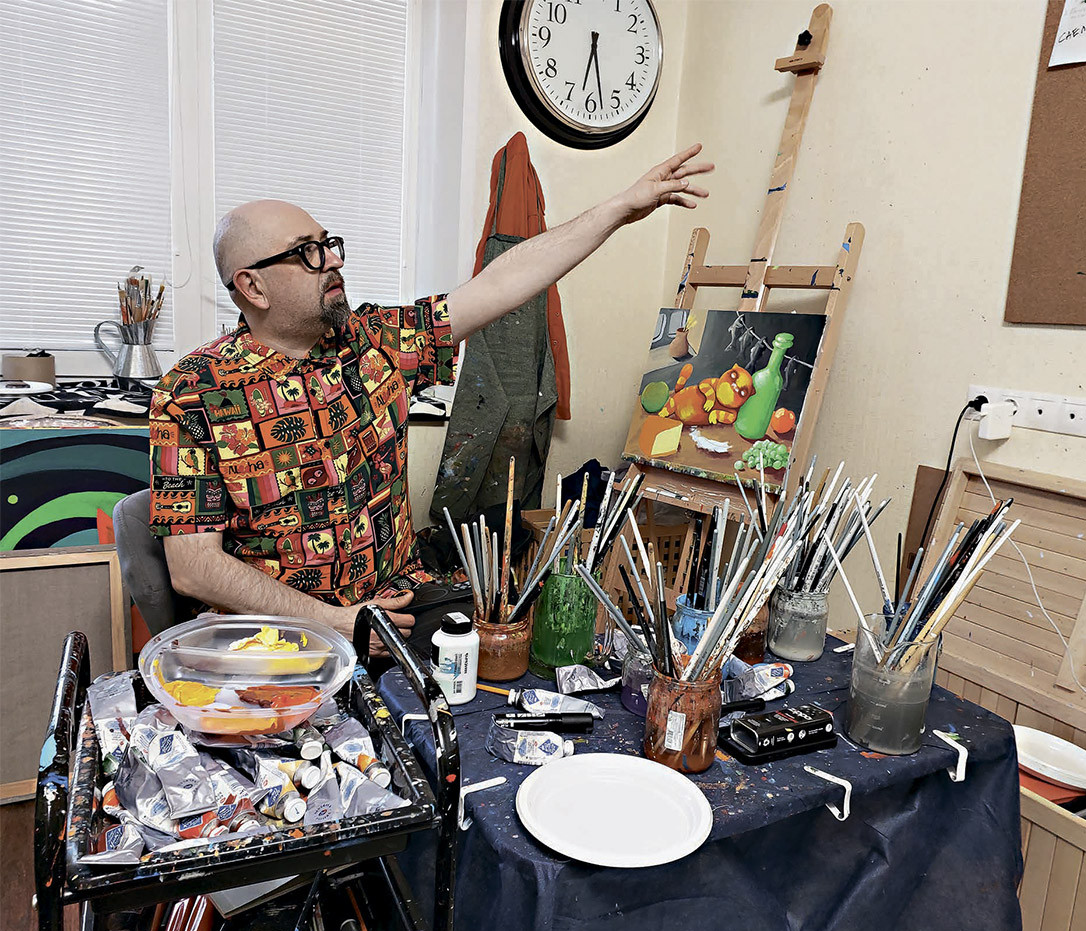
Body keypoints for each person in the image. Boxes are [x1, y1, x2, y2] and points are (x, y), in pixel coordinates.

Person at [149, 144, 713, 654]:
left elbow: (502, 283)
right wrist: (337, 623)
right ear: (252, 286)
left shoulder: (375, 343)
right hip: (279, 638)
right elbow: (194, 569)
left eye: (329, 244)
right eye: (307, 253)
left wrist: (618, 209)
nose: (334, 261)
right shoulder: (192, 394)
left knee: (516, 657)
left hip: (400, 606)